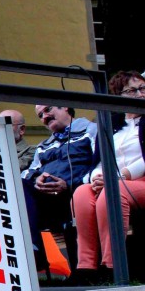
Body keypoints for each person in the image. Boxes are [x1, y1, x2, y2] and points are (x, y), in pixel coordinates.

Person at [72, 71, 145, 282]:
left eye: (142, 88)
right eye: (132, 90)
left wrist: (118, 177)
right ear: (118, 95)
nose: (140, 94)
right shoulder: (110, 124)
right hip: (113, 181)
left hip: (136, 180)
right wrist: (97, 178)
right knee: (82, 193)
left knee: (113, 192)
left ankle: (112, 265)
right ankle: (86, 267)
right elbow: (98, 161)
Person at [21, 105, 98, 270]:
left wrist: (69, 184)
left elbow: (99, 165)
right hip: (47, 200)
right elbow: (27, 173)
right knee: (19, 187)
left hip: (78, 193)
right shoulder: (43, 145)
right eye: (40, 115)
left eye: (47, 110)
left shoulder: (90, 131)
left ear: (65, 107)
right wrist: (37, 179)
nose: (44, 117)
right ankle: (34, 251)